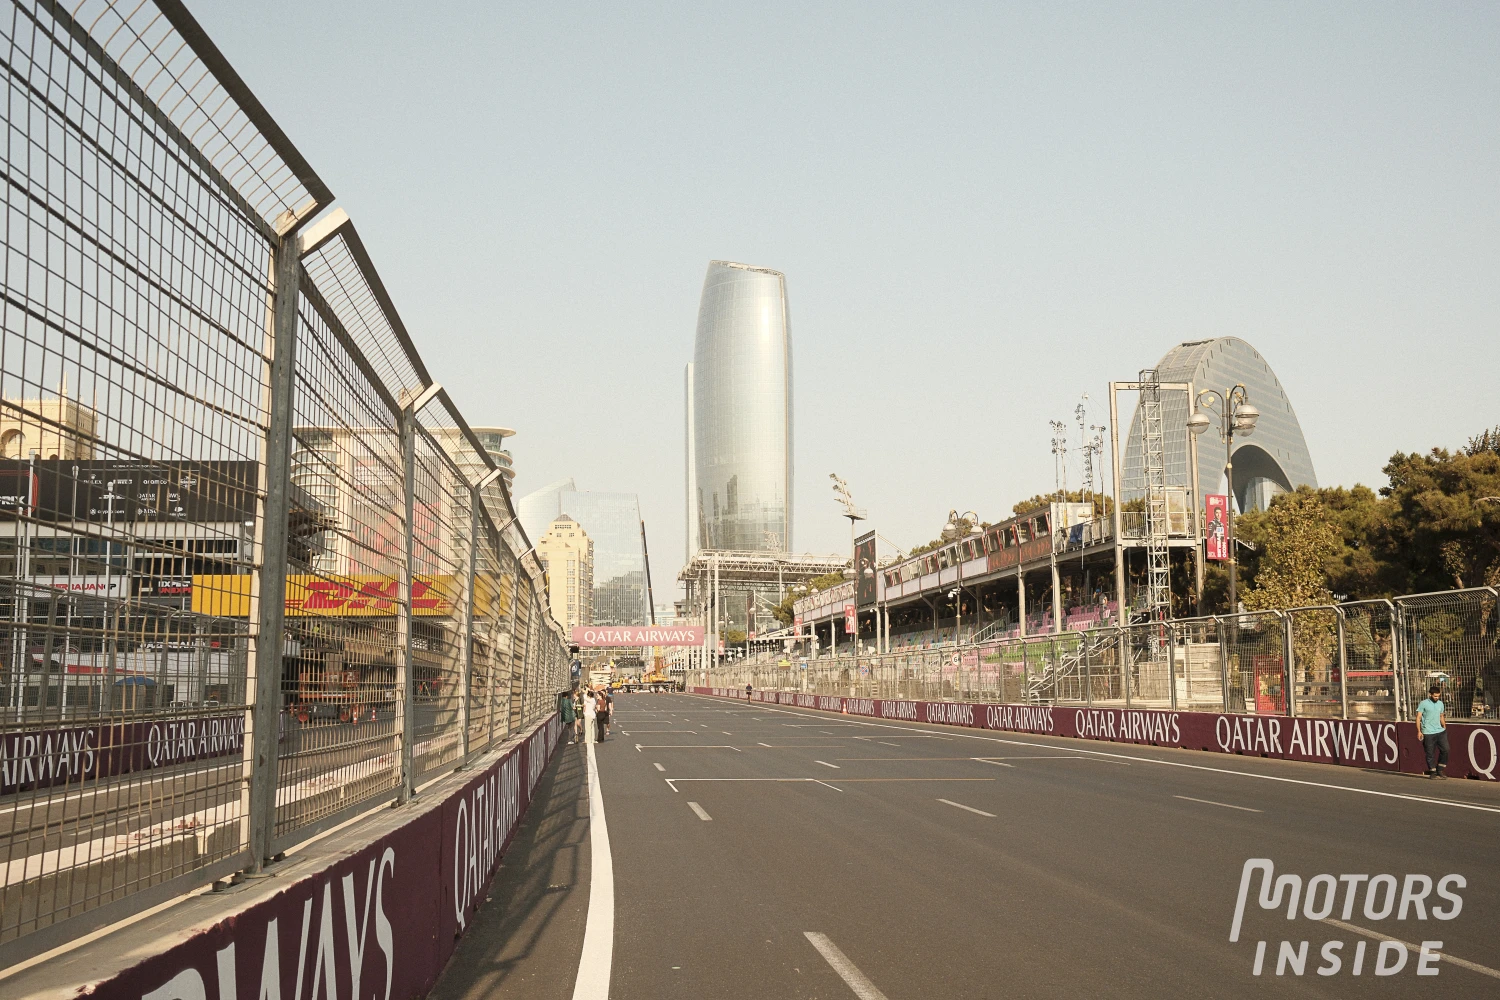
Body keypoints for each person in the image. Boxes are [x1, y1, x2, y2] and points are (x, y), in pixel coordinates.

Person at [1417, 683, 1448, 778]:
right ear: (1430, 694)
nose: (1437, 698)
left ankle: (1440, 769)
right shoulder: (1423, 703)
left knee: (1446, 750)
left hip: (1440, 731)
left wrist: (1444, 725)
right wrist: (1419, 731)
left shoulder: (1440, 703)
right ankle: (1433, 771)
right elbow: (1418, 717)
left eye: (1438, 696)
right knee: (1430, 753)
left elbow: (1441, 716)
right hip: (1428, 732)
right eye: (1435, 696)